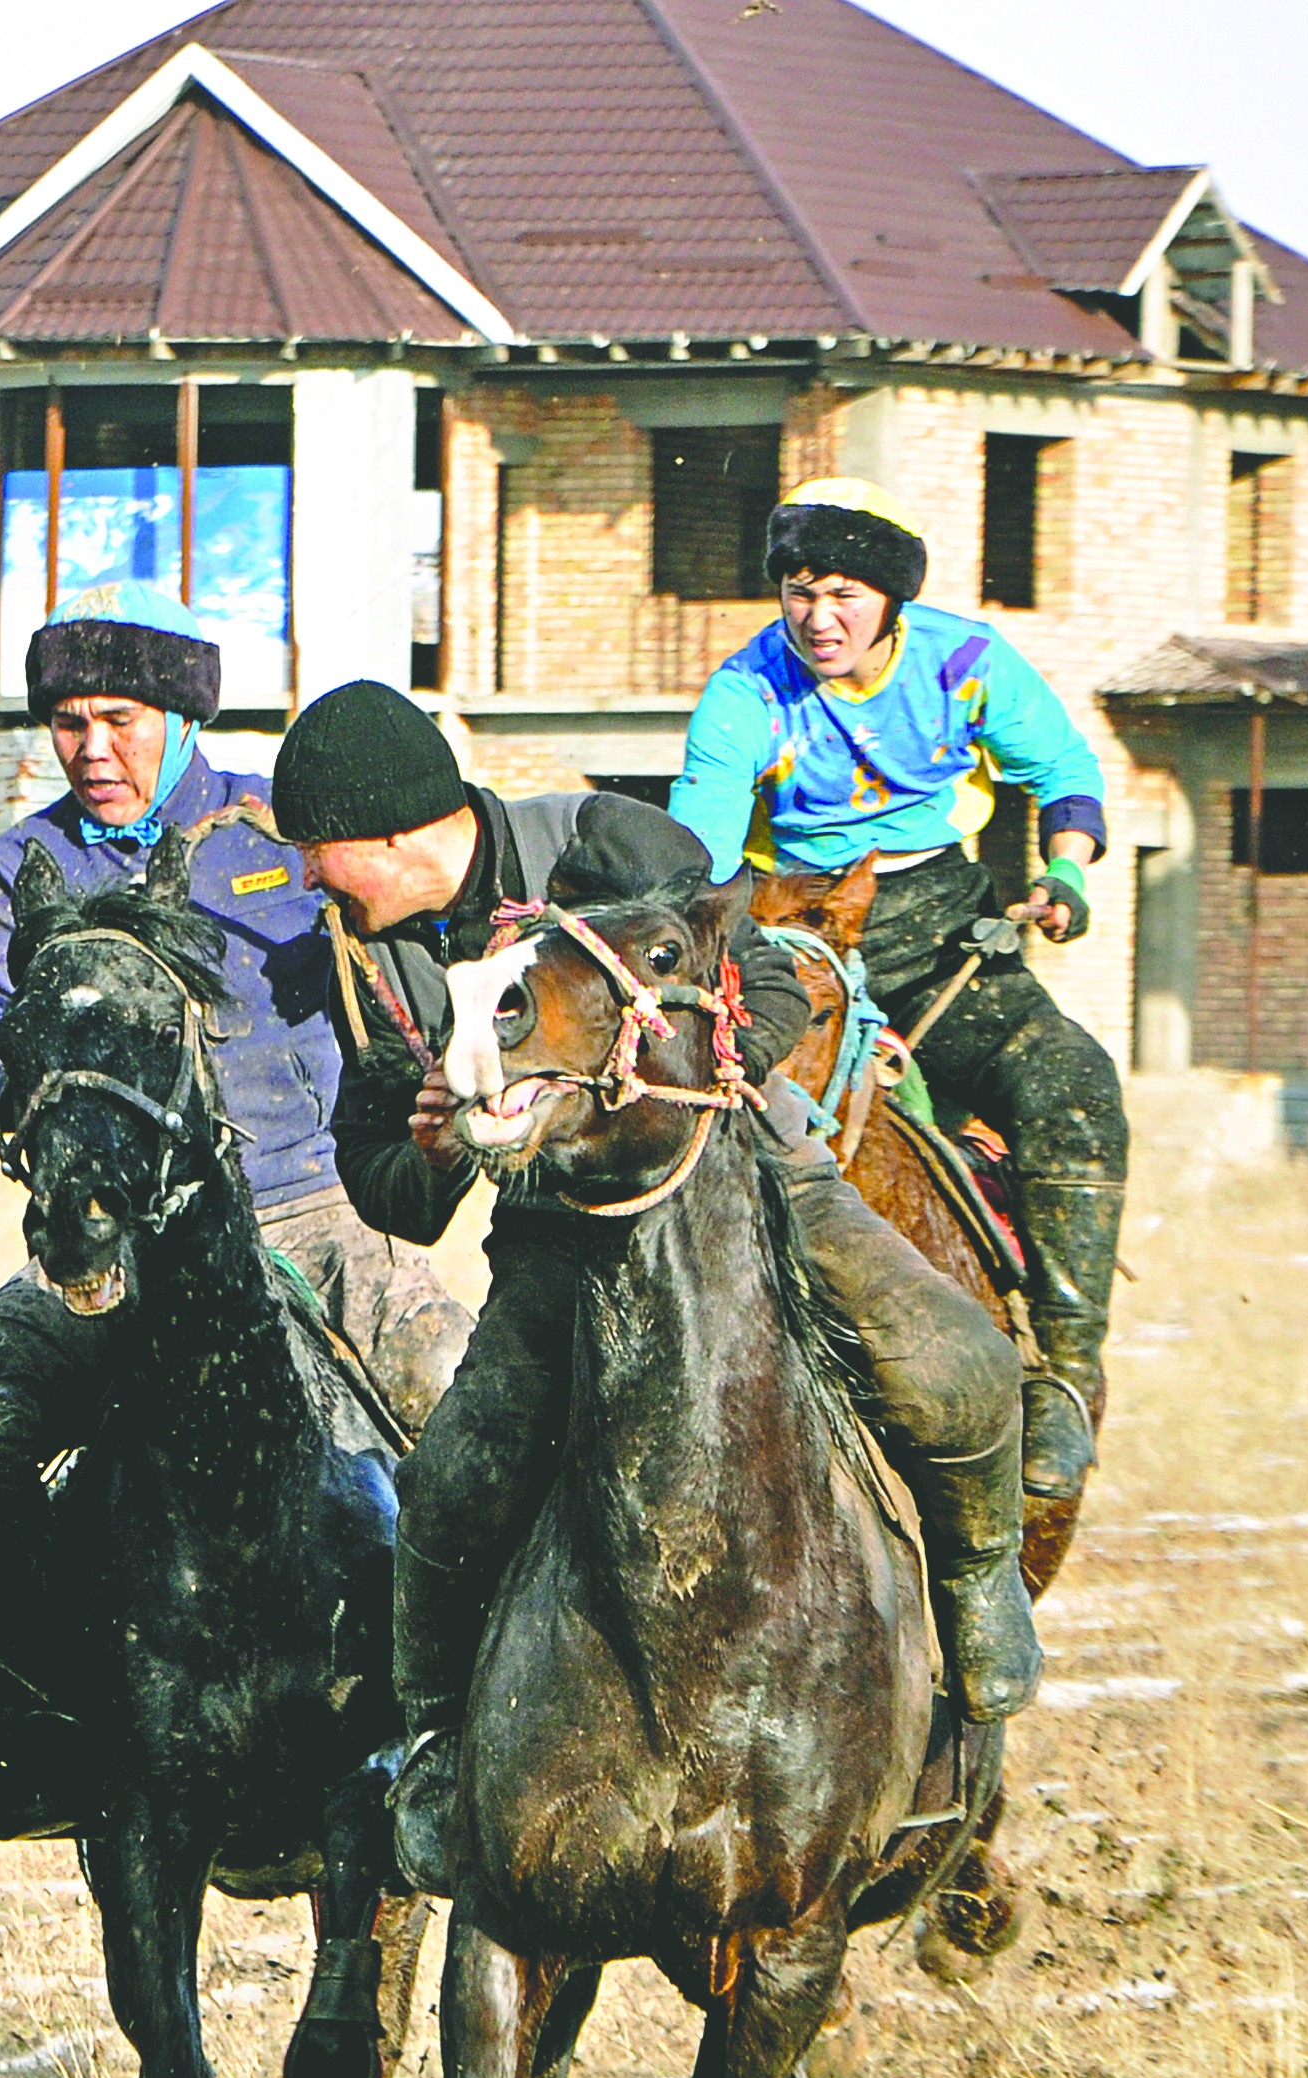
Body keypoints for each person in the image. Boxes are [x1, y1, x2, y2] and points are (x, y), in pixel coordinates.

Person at [268, 679, 1037, 1889]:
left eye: (321, 857)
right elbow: (392, 1195)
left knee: (953, 1363)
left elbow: (777, 981)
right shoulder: (361, 959)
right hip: (553, 1246)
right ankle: (430, 1743)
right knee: (453, 1478)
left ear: (392, 835)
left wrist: (647, 1081)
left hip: (749, 1176)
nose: (316, 885)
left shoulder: (599, 844)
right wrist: (431, 1143)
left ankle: (982, 1587)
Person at [0, 580, 472, 1490]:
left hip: (316, 1217)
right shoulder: (17, 868)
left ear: (184, 715)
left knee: (468, 1406)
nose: (92, 751)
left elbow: (397, 987)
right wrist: (63, 1115)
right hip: (109, 1235)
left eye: (119, 718)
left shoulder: (288, 832)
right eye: (68, 723)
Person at [669, 474, 1125, 1498]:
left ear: (890, 600)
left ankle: (1061, 1376)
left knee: (1075, 1081)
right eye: (796, 591)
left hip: (944, 936)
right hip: (793, 941)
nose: (816, 618)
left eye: (841, 594)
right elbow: (698, 841)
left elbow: (1059, 768)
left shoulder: (966, 662)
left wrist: (1061, 872)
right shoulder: (742, 693)